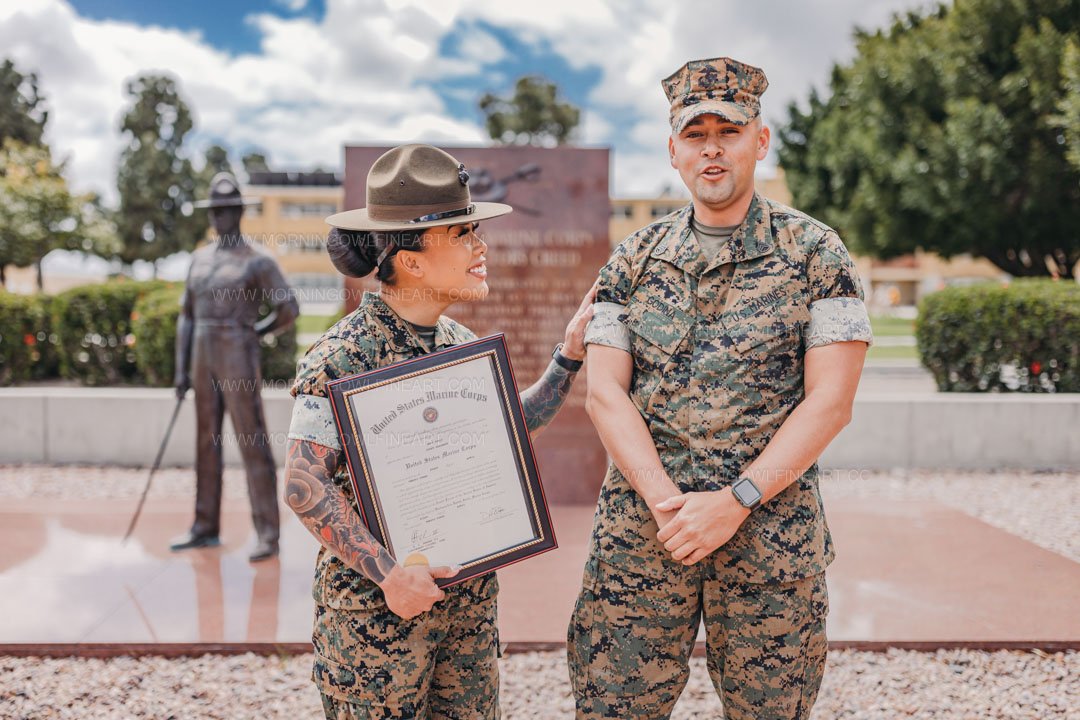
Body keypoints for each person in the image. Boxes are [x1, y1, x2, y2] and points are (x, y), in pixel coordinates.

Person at [567, 57, 874, 719]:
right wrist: (667, 504)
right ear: (673, 150)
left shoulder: (817, 254)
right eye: (695, 133)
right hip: (647, 535)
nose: (712, 147)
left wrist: (735, 501)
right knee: (614, 707)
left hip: (770, 536)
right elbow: (604, 393)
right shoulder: (632, 260)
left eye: (728, 131)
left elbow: (831, 401)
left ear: (759, 141)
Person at [284, 143, 594, 719]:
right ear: (412, 259)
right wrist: (389, 575)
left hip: (467, 614)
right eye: (463, 234)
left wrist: (567, 358)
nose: (481, 247)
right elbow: (304, 486)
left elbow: (509, 426)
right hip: (378, 625)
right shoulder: (339, 357)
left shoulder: (461, 346)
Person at [171, 172, 299, 563]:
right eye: (215, 211)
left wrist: (254, 333)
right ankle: (204, 526)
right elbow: (186, 317)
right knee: (205, 442)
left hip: (237, 352)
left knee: (251, 440)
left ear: (240, 211)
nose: (219, 218)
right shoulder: (198, 259)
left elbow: (288, 308)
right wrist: (180, 370)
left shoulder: (257, 259)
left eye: (227, 210)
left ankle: (268, 534)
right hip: (202, 355)